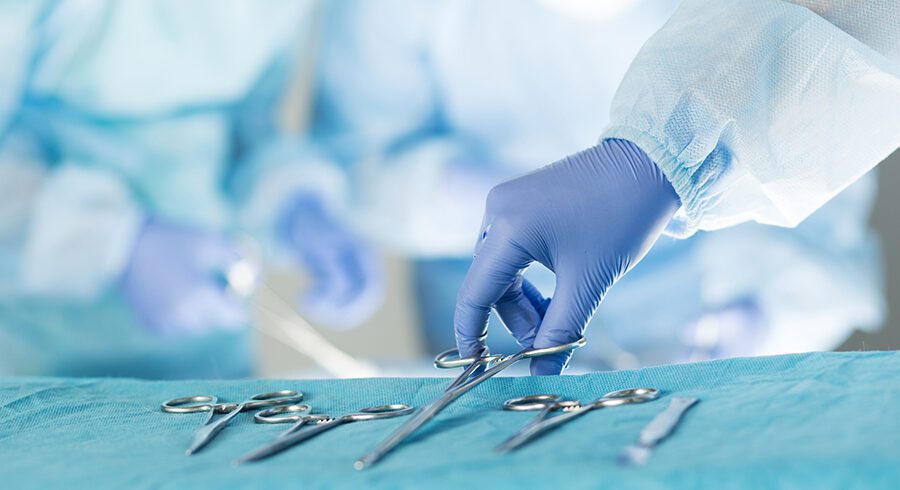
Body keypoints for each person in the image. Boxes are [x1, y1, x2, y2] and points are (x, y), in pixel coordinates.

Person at [309, 0, 885, 370]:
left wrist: (763, 306)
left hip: (686, 327)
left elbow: (826, 81)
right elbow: (355, 160)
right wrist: (460, 192)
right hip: (498, 343)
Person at [0, 0, 382, 378]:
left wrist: (296, 206)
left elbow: (249, 125)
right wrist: (117, 242)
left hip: (213, 355)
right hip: (41, 356)